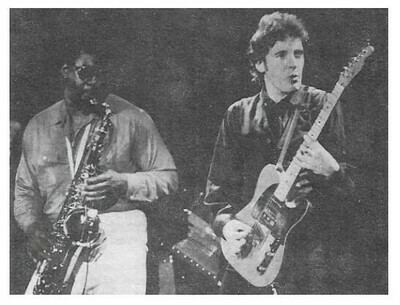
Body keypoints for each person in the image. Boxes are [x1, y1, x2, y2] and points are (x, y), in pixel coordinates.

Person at [204, 12, 355, 294]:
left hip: (306, 262)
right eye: (281, 54)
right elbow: (217, 192)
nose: (293, 63)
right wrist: (225, 226)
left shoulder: (323, 105)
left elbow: (355, 198)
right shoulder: (238, 115)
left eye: (298, 54)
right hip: (248, 256)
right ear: (260, 63)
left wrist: (333, 170)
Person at [13, 45, 178, 294]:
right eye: (87, 73)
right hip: (60, 239)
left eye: (102, 74)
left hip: (118, 235)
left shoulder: (133, 117)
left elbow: (168, 178)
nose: (96, 82)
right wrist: (32, 227)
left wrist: (123, 183)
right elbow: (25, 193)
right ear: (65, 72)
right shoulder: (38, 126)